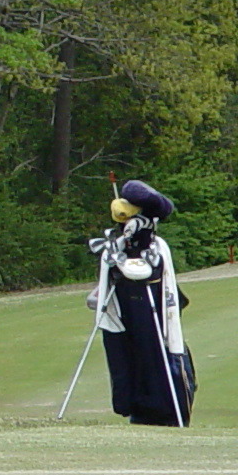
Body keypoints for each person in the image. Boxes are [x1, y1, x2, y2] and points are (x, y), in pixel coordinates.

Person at [89, 178, 194, 427]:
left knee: (154, 349)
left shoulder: (156, 247)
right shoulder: (123, 244)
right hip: (132, 296)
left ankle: (164, 409)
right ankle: (141, 406)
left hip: (148, 294)